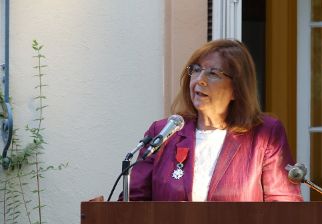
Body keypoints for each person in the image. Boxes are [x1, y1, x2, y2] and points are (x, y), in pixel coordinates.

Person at [129, 39, 303, 202]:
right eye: (196, 70)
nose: (199, 80)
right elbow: (133, 202)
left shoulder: (265, 134)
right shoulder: (164, 132)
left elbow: (283, 205)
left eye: (212, 73)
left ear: (236, 88)